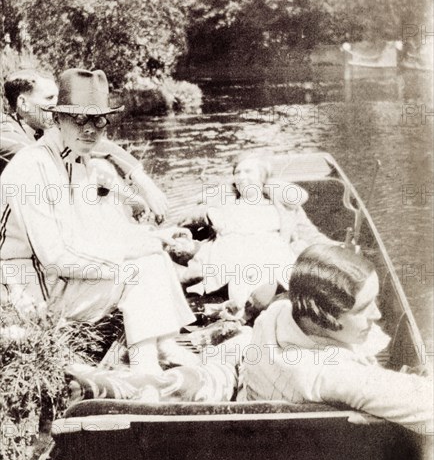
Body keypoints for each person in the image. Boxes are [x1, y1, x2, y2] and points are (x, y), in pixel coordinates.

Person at [0, 68, 198, 375]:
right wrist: (127, 259)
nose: (90, 129)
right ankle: (147, 370)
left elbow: (93, 237)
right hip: (27, 292)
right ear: (56, 119)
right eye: (78, 119)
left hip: (58, 281)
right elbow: (55, 257)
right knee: (138, 270)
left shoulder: (78, 161)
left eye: (98, 120)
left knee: (153, 259)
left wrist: (154, 240)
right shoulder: (33, 166)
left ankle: (163, 350)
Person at [241, 244, 433, 433]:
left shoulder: (277, 312)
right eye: (363, 308)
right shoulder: (329, 373)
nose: (377, 314)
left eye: (375, 300)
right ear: (321, 317)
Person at [0, 68, 168, 220]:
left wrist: (138, 178)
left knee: (98, 167)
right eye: (50, 98)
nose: (59, 104)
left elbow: (91, 145)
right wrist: (130, 195)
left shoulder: (35, 129)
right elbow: (56, 156)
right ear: (23, 103)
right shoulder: (6, 136)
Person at [177, 152, 334, 313]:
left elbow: (306, 226)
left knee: (268, 270)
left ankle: (253, 305)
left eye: (248, 171)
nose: (241, 177)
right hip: (228, 261)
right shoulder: (223, 203)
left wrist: (334, 247)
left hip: (270, 259)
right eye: (237, 173)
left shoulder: (281, 206)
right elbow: (185, 220)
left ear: (262, 176)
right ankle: (245, 307)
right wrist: (211, 208)